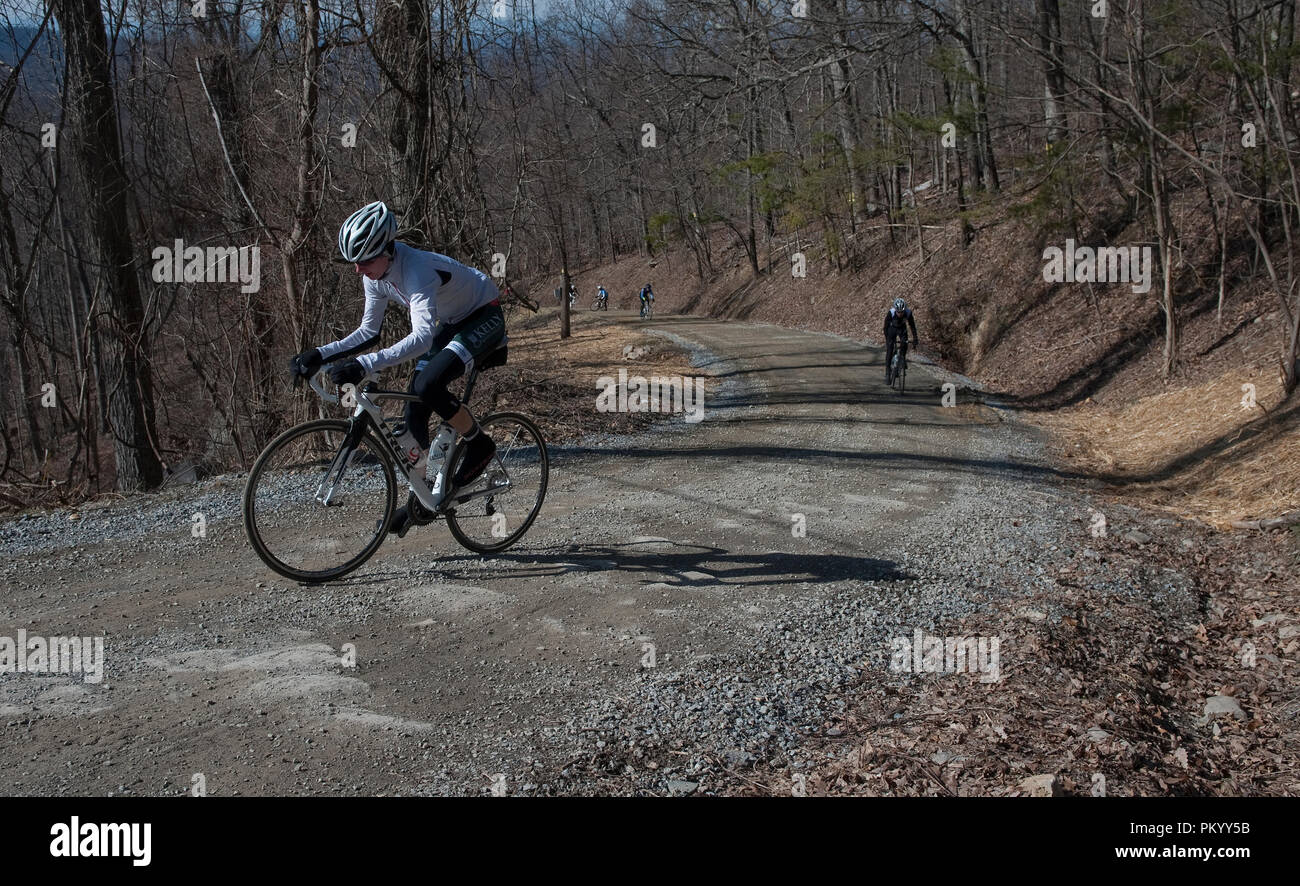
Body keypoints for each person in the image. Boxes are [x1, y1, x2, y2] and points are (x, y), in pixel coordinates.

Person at [288, 200, 504, 537]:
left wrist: (365, 363)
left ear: (388, 250)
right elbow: (368, 332)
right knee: (413, 413)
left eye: (365, 262)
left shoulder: (416, 270)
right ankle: (422, 500)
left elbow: (420, 338)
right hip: (448, 323)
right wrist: (319, 354)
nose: (359, 270)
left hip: (482, 314)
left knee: (427, 386)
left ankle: (480, 444)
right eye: (354, 263)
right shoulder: (375, 274)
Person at [883, 297, 919, 384]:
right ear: (895, 310)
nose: (900, 314)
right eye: (898, 312)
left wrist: (915, 338)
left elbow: (912, 326)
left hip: (902, 329)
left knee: (904, 344)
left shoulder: (908, 313)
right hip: (892, 329)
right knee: (890, 350)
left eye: (902, 312)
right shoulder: (891, 313)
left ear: (904, 310)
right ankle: (888, 372)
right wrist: (887, 339)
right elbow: (885, 327)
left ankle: (901, 360)